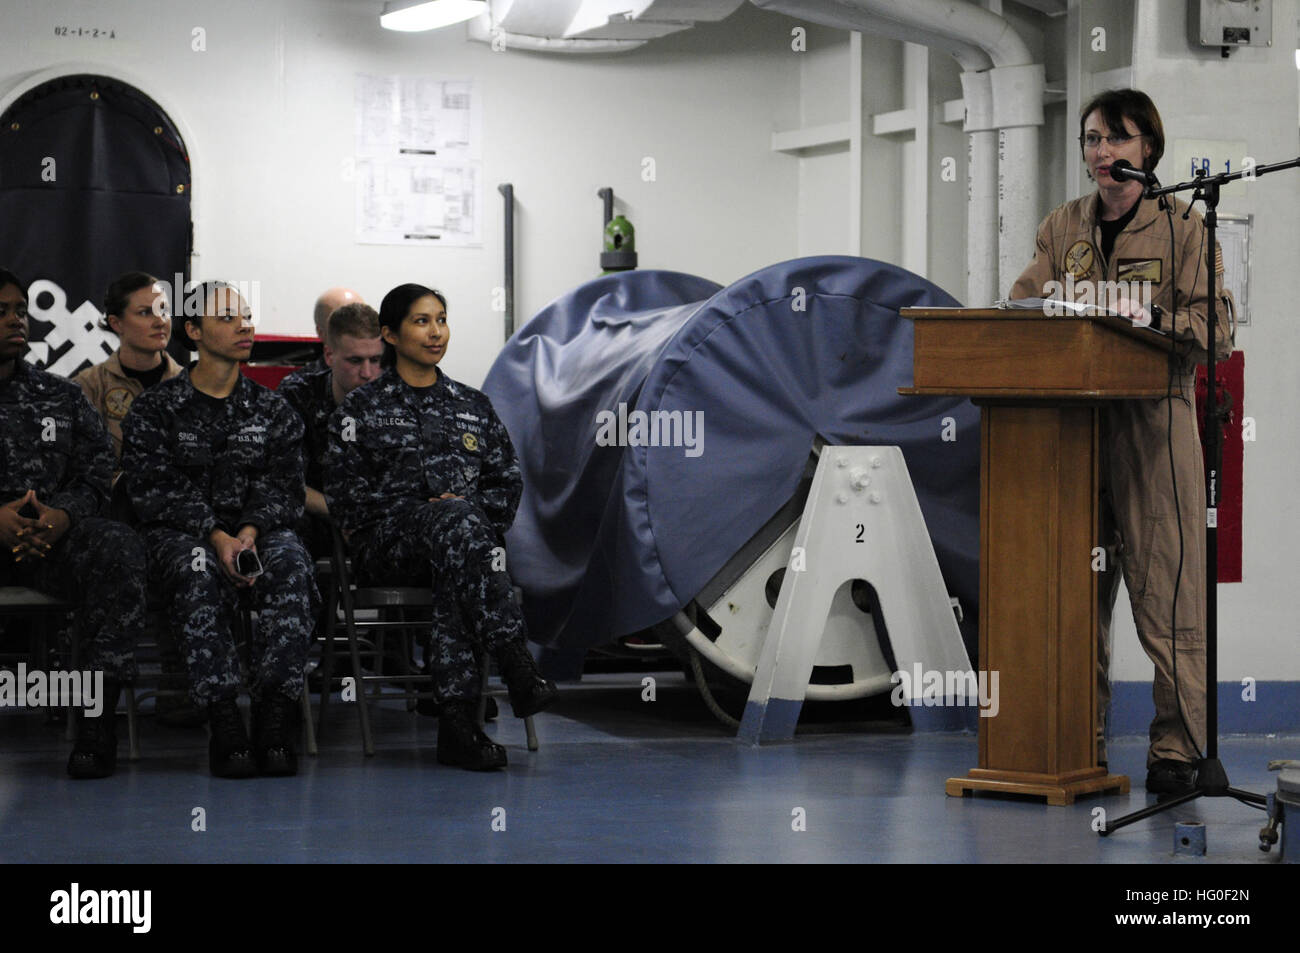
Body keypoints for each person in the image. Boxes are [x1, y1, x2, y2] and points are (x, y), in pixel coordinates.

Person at [1010, 89, 1235, 796]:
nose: (1101, 153)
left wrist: (1152, 315)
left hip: (1153, 428)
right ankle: (1079, 738)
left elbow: (1218, 330)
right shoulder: (1061, 229)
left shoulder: (1184, 229)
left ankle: (1179, 748)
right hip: (1072, 433)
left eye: (1116, 139)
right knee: (1072, 599)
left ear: (1148, 151)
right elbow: (1018, 305)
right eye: (1091, 140)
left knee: (1169, 596)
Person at [324, 283, 556, 771]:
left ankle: (457, 725)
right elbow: (347, 503)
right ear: (389, 333)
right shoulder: (360, 412)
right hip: (386, 550)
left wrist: (463, 519)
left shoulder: (473, 405)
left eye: (442, 319)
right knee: (457, 529)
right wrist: (433, 514)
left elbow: (505, 483)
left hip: (461, 552)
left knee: (459, 560)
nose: (436, 332)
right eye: (421, 321)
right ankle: (515, 658)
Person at [122, 281, 318, 778]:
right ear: (193, 330)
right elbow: (152, 489)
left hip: (259, 532)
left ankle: (274, 721)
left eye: (246, 316)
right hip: (184, 535)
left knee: (292, 563)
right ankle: (225, 722)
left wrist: (248, 531)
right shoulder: (157, 409)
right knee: (196, 573)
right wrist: (216, 535)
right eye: (228, 317)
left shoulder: (274, 410)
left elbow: (285, 486)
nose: (245, 325)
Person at [0, 268, 145, 779]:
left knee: (117, 546)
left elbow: (97, 473)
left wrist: (63, 517)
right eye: (3, 312)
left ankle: (96, 719)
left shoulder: (59, 395)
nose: (17, 321)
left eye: (21, 310)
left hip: (50, 543)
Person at [279, 302, 383, 523]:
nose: (367, 373)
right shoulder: (298, 396)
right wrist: (345, 514)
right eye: (355, 361)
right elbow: (284, 480)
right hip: (315, 516)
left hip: (378, 519)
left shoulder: (395, 398)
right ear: (329, 355)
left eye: (375, 360)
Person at [74, 272, 184, 472]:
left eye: (164, 310)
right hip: (112, 499)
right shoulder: (89, 386)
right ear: (117, 323)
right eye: (145, 313)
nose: (160, 321)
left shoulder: (190, 384)